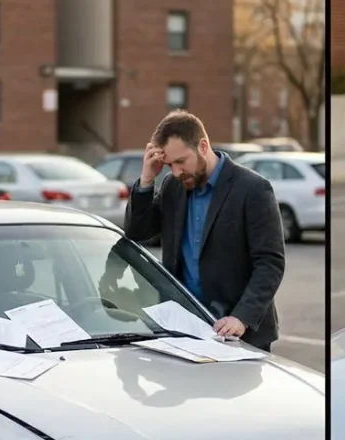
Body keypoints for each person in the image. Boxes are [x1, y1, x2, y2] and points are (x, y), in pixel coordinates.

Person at [122, 110, 285, 351]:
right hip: (184, 328)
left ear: (203, 146)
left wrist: (241, 318)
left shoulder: (253, 189)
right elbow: (137, 233)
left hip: (237, 332)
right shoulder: (171, 186)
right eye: (169, 165)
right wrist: (147, 180)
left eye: (181, 161)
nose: (176, 171)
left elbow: (270, 263)